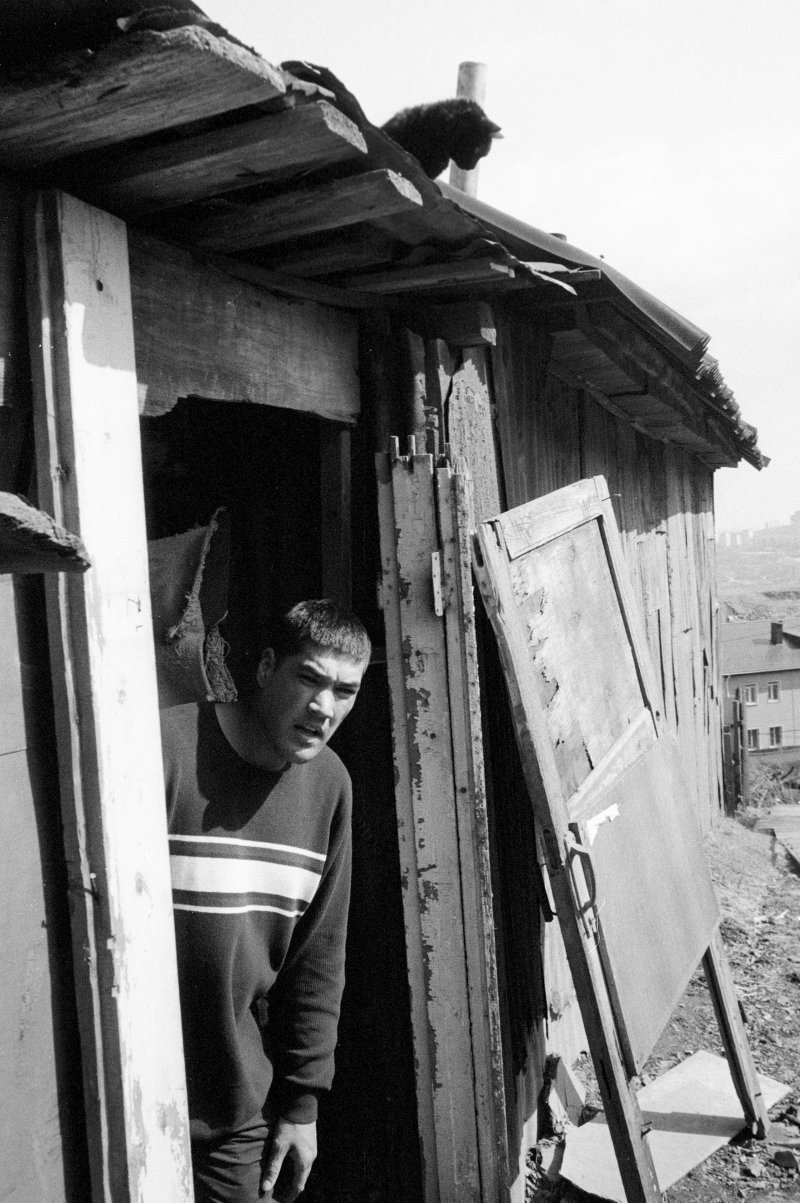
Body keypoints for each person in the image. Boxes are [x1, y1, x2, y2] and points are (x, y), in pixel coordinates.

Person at [161, 599, 371, 1203]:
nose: (324, 707)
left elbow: (317, 960)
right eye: (310, 678)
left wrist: (302, 1106)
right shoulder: (167, 748)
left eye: (345, 691)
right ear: (265, 667)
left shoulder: (329, 787)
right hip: (122, 1090)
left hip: (233, 1112)